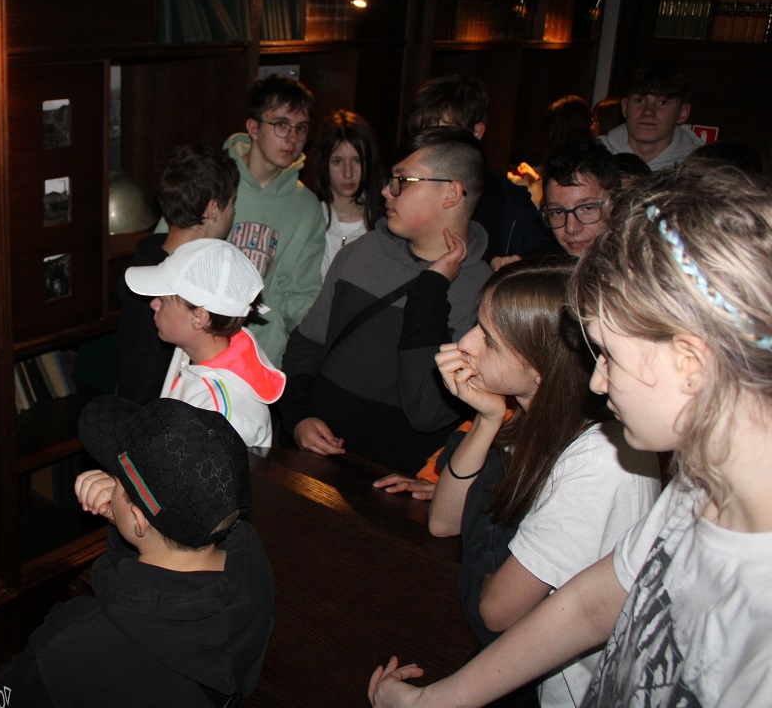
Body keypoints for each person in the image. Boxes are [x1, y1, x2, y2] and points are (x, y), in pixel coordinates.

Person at [369, 166, 772, 707]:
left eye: (608, 354)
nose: (597, 380)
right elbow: (590, 605)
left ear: (690, 363)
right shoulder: (700, 485)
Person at [427, 257, 660, 707]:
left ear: (540, 366)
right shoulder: (529, 420)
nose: (465, 343)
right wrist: (488, 418)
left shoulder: (602, 457)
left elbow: (496, 610)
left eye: (488, 338)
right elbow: (444, 522)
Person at [0, 396, 275, 707]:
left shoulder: (71, 643)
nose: (110, 483)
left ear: (139, 519)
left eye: (119, 480)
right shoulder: (252, 570)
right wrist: (124, 518)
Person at [279, 126, 492, 474]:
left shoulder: (484, 295)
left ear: (451, 193)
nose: (385, 191)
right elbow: (307, 344)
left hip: (397, 479)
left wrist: (432, 289)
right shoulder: (360, 253)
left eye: (401, 181)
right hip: (314, 458)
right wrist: (298, 414)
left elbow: (428, 412)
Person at [125, 238, 285, 448]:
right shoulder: (194, 348)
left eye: (163, 299)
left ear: (199, 317)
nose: (153, 304)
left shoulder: (219, 417)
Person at [118, 144, 239, 404]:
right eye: (232, 202)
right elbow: (147, 376)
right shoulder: (161, 287)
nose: (234, 212)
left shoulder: (146, 259)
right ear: (213, 208)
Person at [222, 74, 326, 366]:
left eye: (301, 128)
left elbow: (301, 294)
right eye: (281, 124)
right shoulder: (215, 181)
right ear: (253, 127)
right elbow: (170, 253)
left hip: (263, 356)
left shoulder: (307, 207)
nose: (292, 138)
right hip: (198, 348)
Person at [407, 74, 552, 264]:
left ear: (477, 132)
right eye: (422, 133)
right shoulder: (404, 190)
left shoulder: (509, 202)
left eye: (442, 133)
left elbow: (544, 254)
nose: (429, 144)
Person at [308, 109, 382, 276]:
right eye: (337, 161)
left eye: (357, 160)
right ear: (324, 164)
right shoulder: (309, 217)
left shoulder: (382, 224)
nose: (347, 173)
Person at [599, 59, 704, 170]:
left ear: (683, 112)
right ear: (625, 107)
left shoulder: (699, 170)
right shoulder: (596, 159)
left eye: (663, 102)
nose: (648, 111)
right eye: (639, 100)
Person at [540, 140, 622, 258]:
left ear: (617, 206)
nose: (571, 228)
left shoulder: (643, 265)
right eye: (558, 212)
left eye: (588, 208)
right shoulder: (540, 263)